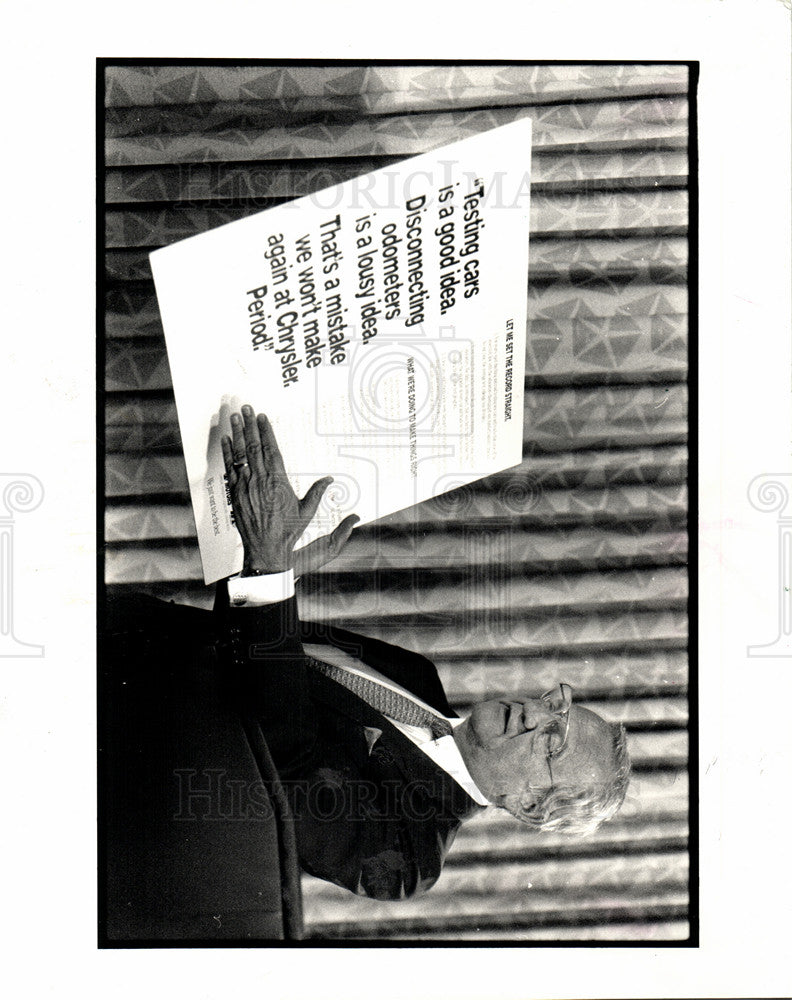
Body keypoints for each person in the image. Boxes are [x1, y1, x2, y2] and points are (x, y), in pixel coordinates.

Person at [217, 404, 630, 901]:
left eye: (551, 742)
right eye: (557, 706)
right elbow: (245, 650)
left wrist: (269, 566)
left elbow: (278, 768)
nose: (535, 713)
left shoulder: (407, 857)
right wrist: (286, 570)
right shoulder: (417, 674)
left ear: (529, 806)